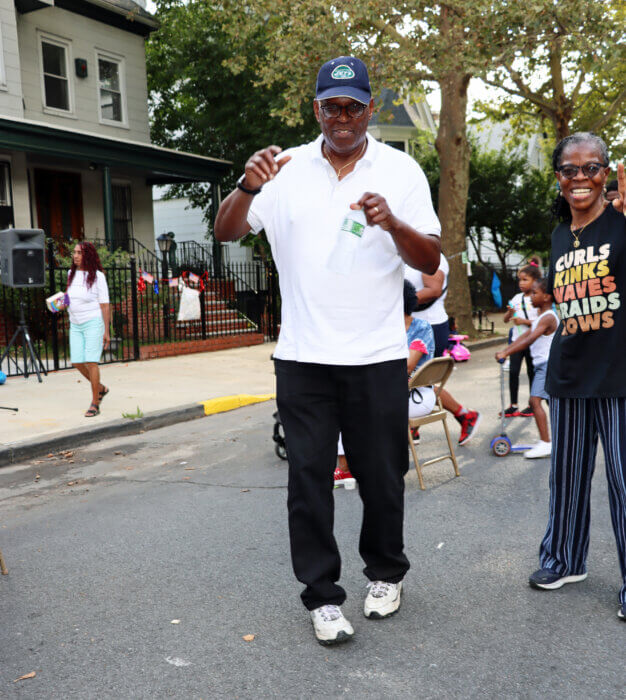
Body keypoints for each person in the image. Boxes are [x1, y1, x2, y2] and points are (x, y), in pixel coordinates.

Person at [214, 56, 442, 645]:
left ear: (370, 108)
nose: (343, 118)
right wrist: (246, 186)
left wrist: (391, 223)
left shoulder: (401, 170)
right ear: (316, 109)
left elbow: (429, 261)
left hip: (377, 356)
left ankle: (386, 574)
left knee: (382, 475)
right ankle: (322, 597)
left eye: (353, 106)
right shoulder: (283, 168)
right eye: (331, 106)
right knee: (308, 481)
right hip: (304, 356)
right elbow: (226, 232)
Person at [525, 132, 626, 623]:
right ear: (559, 177)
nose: (581, 178)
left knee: (625, 483)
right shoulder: (561, 234)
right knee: (565, 480)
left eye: (592, 168)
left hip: (620, 375)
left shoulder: (623, 222)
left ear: (606, 172)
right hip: (569, 373)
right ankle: (564, 560)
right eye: (571, 169)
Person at [334, 280, 435, 485]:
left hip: (416, 396)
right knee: (342, 404)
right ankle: (348, 466)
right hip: (388, 392)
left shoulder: (419, 328)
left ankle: (352, 468)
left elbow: (407, 366)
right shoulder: (381, 329)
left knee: (352, 409)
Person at [405, 254, 480, 445]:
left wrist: (394, 301)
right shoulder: (398, 252)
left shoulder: (428, 253)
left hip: (427, 325)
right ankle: (413, 429)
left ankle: (465, 415)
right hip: (405, 322)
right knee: (415, 380)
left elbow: (434, 290)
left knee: (420, 379)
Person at [495, 278, 558, 458]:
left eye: (535, 293)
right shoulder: (540, 317)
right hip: (543, 364)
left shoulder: (547, 317)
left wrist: (506, 353)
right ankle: (557, 439)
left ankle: (546, 443)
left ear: (546, 297)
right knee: (550, 402)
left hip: (547, 364)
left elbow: (529, 340)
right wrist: (505, 351)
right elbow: (524, 337)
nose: (530, 297)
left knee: (534, 401)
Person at [66, 242, 110, 417]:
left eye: (79, 253)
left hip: (92, 322)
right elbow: (70, 298)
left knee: (91, 361)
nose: (75, 256)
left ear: (88, 256)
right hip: (75, 324)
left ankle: (95, 403)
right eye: (74, 252)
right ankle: (100, 387)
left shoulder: (98, 276)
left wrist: (106, 331)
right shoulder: (71, 274)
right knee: (77, 361)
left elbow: (105, 305)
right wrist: (60, 303)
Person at [501, 261, 543, 417]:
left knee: (532, 373)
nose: (521, 283)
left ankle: (532, 405)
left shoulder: (537, 299)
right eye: (520, 280)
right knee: (513, 372)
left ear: (535, 281)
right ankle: (513, 405)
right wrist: (510, 313)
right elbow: (506, 320)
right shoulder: (516, 298)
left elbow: (542, 323)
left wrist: (523, 322)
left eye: (525, 279)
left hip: (532, 342)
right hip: (517, 341)